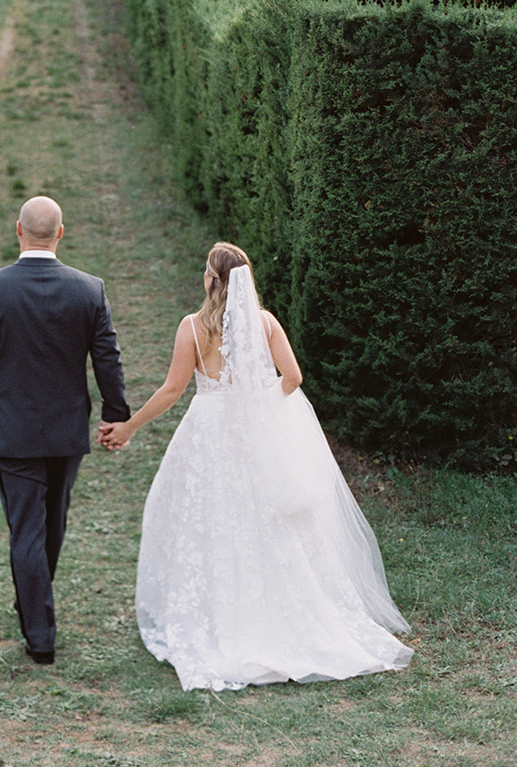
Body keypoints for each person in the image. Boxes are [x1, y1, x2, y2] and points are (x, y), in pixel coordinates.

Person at [99, 241, 413, 691]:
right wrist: (259, 405)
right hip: (255, 436)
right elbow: (293, 378)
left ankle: (221, 616)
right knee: (269, 522)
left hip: (208, 434)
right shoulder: (265, 323)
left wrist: (128, 427)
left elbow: (171, 391)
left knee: (211, 521)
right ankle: (285, 614)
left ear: (212, 280)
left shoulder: (192, 328)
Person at [0, 195, 130, 666]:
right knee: (52, 522)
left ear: (18, 230)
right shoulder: (89, 289)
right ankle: (36, 610)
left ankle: (39, 635)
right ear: (60, 233)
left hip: (13, 430)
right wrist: (116, 414)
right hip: (66, 429)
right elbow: (107, 359)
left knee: (27, 531)